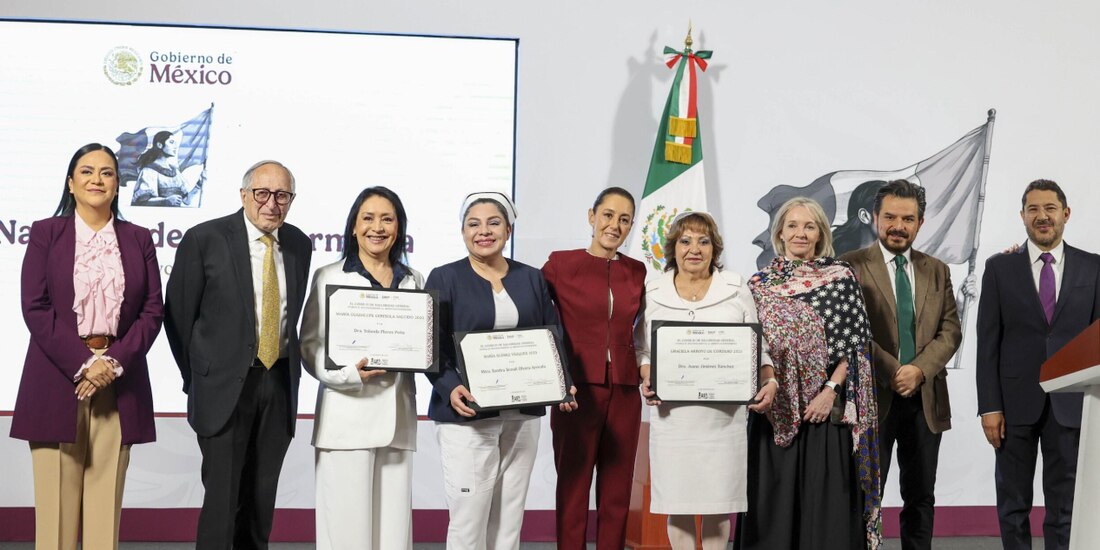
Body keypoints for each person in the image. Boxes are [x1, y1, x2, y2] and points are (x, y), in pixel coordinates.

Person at [11, 143, 163, 550]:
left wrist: (111, 364)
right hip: (56, 377)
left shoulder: (139, 238)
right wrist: (84, 363)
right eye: (87, 171)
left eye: (107, 173)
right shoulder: (46, 233)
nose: (97, 179)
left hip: (119, 378)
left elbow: (152, 312)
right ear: (71, 183)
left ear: (117, 185)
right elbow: (35, 307)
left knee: (103, 510)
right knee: (55, 514)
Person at [164, 160, 312, 549]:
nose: (272, 204)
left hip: (278, 384)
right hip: (223, 388)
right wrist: (200, 376)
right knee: (222, 502)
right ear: (244, 195)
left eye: (282, 195)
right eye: (262, 193)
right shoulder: (204, 239)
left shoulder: (299, 244)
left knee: (261, 501)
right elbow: (178, 316)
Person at [424, 192, 577, 550]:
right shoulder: (444, 277)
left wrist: (562, 384)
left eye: (493, 223)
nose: (484, 231)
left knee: (510, 516)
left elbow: (551, 335)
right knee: (468, 518)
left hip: (522, 417)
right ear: (462, 231)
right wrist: (449, 387)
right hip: (468, 415)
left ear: (508, 229)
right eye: (473, 224)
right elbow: (431, 345)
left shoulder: (531, 278)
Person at [738, 197, 881, 550]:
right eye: (792, 226)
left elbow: (856, 346)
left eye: (809, 226)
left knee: (824, 510)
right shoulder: (757, 285)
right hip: (771, 410)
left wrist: (830, 390)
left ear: (820, 234)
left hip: (823, 414)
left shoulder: (840, 278)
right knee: (771, 509)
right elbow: (750, 345)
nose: (800, 233)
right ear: (780, 233)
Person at [636, 211, 777, 550]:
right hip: (674, 417)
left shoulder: (735, 287)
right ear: (673, 247)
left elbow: (758, 347)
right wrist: (647, 377)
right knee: (677, 503)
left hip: (722, 418)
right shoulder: (653, 291)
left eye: (703, 241)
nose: (694, 249)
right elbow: (643, 351)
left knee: (718, 505)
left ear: (715, 248)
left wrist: (769, 380)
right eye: (685, 241)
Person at [976, 179, 1099, 550]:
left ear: (1066, 213)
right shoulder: (999, 268)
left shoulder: (1093, 268)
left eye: (1049, 208)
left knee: (1065, 507)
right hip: (1013, 406)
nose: (1042, 216)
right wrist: (989, 407)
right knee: (1013, 504)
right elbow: (988, 345)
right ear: (1022, 216)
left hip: (1072, 405)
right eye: (1033, 209)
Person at [840, 180, 962, 550]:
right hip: (873, 399)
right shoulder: (849, 266)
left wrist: (919, 369)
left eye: (908, 218)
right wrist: (894, 370)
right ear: (875, 218)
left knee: (921, 497)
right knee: (863, 498)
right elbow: (850, 331)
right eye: (890, 216)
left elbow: (950, 330)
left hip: (925, 400)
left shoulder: (937, 269)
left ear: (920, 223)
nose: (898, 225)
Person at [300, 186, 421, 550]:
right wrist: (347, 374)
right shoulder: (328, 275)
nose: (377, 227)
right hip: (345, 419)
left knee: (393, 535)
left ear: (399, 228)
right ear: (353, 226)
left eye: (387, 218)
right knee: (346, 533)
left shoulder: (414, 279)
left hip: (397, 422)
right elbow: (309, 345)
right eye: (368, 218)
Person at [542, 187, 647, 549]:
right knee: (573, 487)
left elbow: (648, 329)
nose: (614, 225)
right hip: (576, 392)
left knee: (617, 490)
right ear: (592, 216)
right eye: (608, 215)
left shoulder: (638, 271)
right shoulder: (560, 264)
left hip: (625, 390)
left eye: (624, 219)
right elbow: (533, 312)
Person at [130, 130, 205, 207]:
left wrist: (198, 185)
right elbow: (141, 201)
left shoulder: (175, 171)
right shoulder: (149, 171)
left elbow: (186, 201)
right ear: (159, 145)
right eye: (171, 142)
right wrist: (165, 201)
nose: (175, 146)